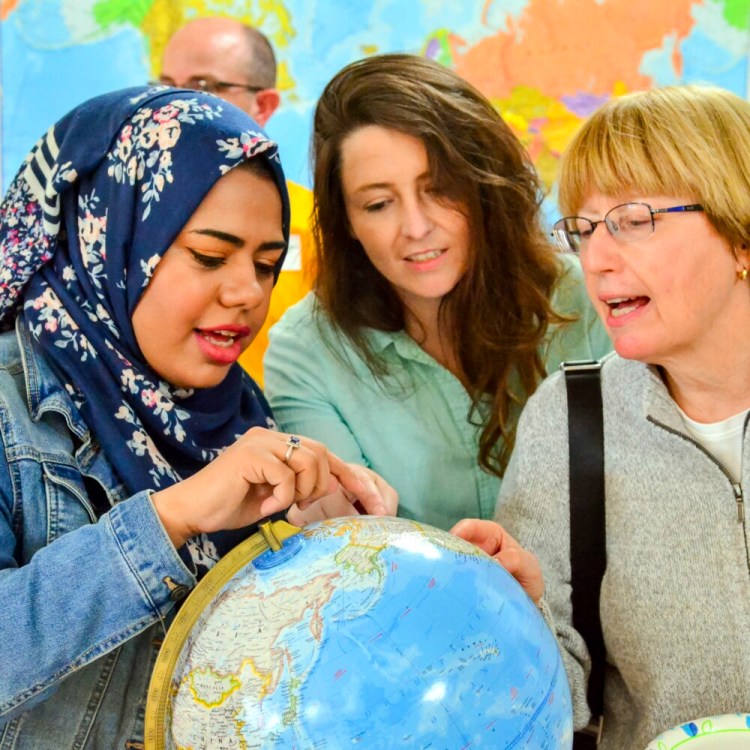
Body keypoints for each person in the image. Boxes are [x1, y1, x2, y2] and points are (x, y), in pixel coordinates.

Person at [0, 85, 394, 746]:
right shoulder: (13, 405)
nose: (247, 294)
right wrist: (172, 519)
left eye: (268, 265)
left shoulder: (239, 414)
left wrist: (338, 559)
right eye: (210, 256)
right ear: (113, 238)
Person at [453, 85, 750, 749]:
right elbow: (550, 707)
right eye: (583, 230)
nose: (597, 258)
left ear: (741, 237)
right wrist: (517, 616)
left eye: (635, 220)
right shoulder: (569, 415)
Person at [263, 53, 612, 531]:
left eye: (440, 189)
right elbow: (349, 544)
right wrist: (338, 506)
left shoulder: (587, 296)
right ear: (347, 221)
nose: (416, 227)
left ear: (482, 184)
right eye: (379, 203)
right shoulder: (305, 352)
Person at [159, 16, 314, 386]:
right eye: (165, 88)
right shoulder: (129, 212)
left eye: (203, 86)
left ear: (264, 105)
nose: (177, 106)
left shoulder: (316, 223)